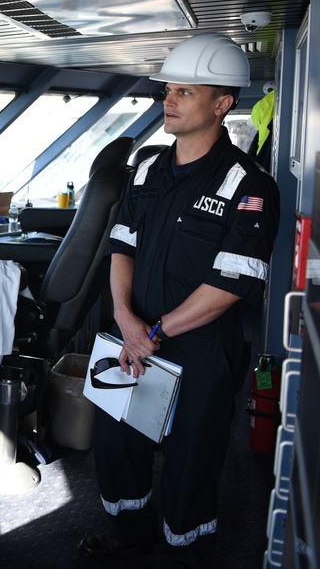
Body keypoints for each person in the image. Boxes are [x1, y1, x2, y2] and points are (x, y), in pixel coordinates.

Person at [79, 33, 280, 567]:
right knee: (120, 445)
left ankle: (184, 553)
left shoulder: (249, 184)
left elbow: (231, 285)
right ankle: (130, 535)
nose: (168, 101)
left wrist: (157, 333)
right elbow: (122, 246)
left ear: (222, 104)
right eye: (167, 90)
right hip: (135, 337)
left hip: (200, 349)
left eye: (184, 92)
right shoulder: (146, 170)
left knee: (192, 462)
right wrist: (125, 319)